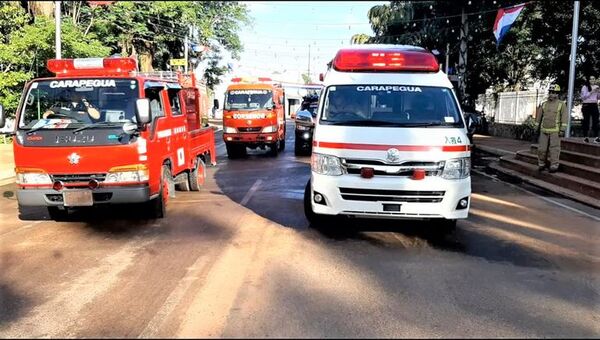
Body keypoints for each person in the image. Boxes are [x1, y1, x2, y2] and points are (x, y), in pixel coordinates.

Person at [536, 84, 568, 173]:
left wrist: (562, 129)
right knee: (542, 149)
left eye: (553, 93)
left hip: (555, 131)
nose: (551, 94)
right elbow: (539, 117)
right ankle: (541, 164)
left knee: (554, 149)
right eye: (550, 92)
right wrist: (536, 127)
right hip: (544, 130)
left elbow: (564, 118)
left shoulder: (561, 105)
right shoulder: (544, 104)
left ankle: (554, 165)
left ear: (557, 94)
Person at [580, 76, 599, 143]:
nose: (592, 80)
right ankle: (585, 137)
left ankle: (596, 137)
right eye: (591, 79)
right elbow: (583, 97)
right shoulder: (585, 87)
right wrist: (591, 91)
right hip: (586, 105)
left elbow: (598, 97)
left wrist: (598, 92)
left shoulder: (597, 86)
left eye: (593, 79)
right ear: (588, 80)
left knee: (596, 121)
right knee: (586, 121)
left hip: (594, 105)